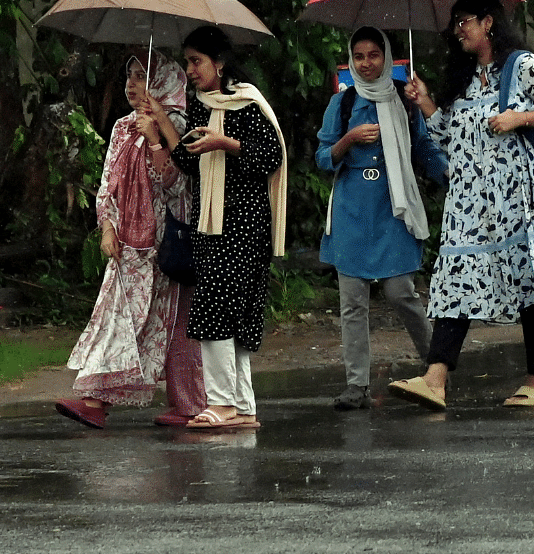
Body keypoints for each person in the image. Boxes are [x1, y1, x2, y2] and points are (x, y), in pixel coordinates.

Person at [391, 0, 534, 409]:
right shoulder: (461, 78)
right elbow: (447, 135)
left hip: (524, 199)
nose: (458, 29)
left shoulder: (524, 67)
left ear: (488, 22)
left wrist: (522, 117)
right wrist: (425, 100)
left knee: (532, 282)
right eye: (455, 23)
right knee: (459, 277)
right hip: (472, 202)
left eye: (465, 21)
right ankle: (435, 378)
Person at [55, 53, 205, 429]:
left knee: (169, 325)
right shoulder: (123, 126)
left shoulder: (180, 125)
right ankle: (95, 401)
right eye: (130, 75)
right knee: (119, 318)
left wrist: (156, 137)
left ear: (163, 81)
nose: (133, 84)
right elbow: (108, 184)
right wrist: (107, 227)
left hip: (165, 242)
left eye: (143, 76)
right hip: (128, 244)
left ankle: (187, 405)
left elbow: (177, 185)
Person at [158, 25, 286, 428]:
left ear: (219, 62)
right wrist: (163, 128)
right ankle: (242, 406)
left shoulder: (246, 102)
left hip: (244, 221)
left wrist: (225, 144)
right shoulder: (198, 105)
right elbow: (193, 164)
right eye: (187, 62)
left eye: (196, 62)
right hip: (209, 222)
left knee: (222, 306)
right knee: (224, 308)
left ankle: (221, 403)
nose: (191, 70)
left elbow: (272, 155)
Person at [316, 28, 449, 410]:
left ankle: (436, 369)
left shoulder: (403, 100)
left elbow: (423, 147)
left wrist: (448, 174)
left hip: (395, 209)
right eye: (359, 56)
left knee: (400, 293)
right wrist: (348, 140)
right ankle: (356, 386)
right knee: (352, 302)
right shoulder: (342, 104)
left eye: (375, 55)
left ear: (387, 57)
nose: (367, 63)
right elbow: (322, 158)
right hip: (351, 213)